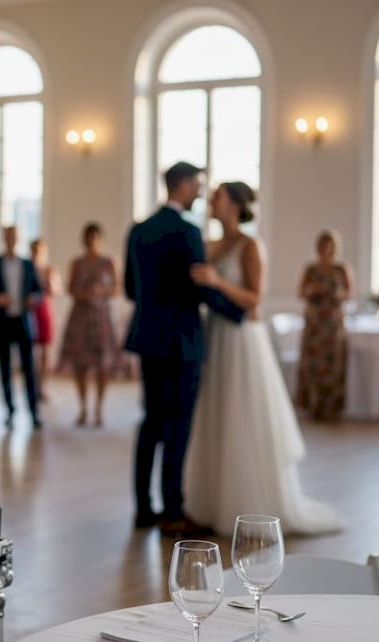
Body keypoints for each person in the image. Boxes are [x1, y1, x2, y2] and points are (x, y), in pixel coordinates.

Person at [183, 181, 341, 537]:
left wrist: (217, 283)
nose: (212, 202)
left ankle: (248, 508)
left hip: (242, 340)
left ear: (236, 204)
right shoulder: (209, 245)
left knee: (242, 417)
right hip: (215, 336)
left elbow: (255, 299)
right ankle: (210, 504)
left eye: (218, 197)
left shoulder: (251, 245)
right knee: (214, 417)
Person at [125, 162, 243, 534]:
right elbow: (200, 288)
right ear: (183, 184)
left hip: (148, 338)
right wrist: (237, 311)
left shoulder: (139, 230)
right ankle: (173, 511)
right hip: (182, 342)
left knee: (151, 422)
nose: (199, 193)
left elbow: (130, 288)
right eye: (197, 185)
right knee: (178, 425)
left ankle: (144, 509)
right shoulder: (188, 232)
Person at [0, 225, 42, 428]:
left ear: (19, 238)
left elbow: (39, 290)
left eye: (15, 236)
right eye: (8, 236)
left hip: (22, 322)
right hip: (1, 323)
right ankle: (10, 411)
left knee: (29, 369)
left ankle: (33, 412)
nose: (12, 239)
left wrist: (33, 298)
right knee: (4, 369)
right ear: (4, 238)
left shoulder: (28, 264)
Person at [58, 222, 118, 427]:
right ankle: (83, 407)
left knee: (103, 365)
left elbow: (115, 289)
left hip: (100, 316)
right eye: (89, 238)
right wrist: (82, 294)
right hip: (81, 316)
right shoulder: (77, 263)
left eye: (95, 237)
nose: (92, 242)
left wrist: (99, 293)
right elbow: (70, 287)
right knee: (80, 364)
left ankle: (99, 409)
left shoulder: (108, 262)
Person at [294, 229, 354, 422]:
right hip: (315, 323)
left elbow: (350, 293)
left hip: (333, 322)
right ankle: (314, 406)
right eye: (323, 245)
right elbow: (301, 292)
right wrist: (313, 290)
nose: (326, 249)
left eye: (329, 245)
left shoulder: (341, 268)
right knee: (313, 365)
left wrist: (337, 295)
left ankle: (332, 408)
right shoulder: (311, 269)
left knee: (333, 363)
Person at [30, 238, 60, 402]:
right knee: (32, 352)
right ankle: (34, 386)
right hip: (30, 312)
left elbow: (56, 291)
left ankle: (43, 386)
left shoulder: (49, 270)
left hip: (45, 311)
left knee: (45, 352)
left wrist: (49, 284)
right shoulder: (27, 268)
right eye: (35, 250)